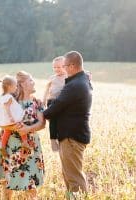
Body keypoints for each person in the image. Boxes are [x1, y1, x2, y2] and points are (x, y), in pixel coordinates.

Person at [42, 51, 93, 198]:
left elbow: (55, 108)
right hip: (72, 135)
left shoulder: (74, 85)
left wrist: (40, 115)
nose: (62, 69)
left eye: (64, 66)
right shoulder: (81, 80)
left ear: (71, 66)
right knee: (70, 176)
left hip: (72, 137)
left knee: (74, 178)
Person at [0, 71, 46, 200]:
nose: (34, 82)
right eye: (31, 80)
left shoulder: (37, 102)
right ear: (22, 84)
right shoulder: (10, 101)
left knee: (30, 183)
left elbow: (42, 124)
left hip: (30, 145)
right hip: (10, 144)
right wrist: (16, 128)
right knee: (8, 183)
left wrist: (27, 129)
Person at [0, 75, 26, 158]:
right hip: (8, 118)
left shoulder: (1, 97)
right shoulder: (9, 97)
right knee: (20, 125)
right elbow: (7, 107)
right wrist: (10, 117)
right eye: (15, 86)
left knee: (7, 130)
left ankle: (2, 146)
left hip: (3, 120)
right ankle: (25, 142)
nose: (16, 87)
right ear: (9, 87)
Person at [43, 56, 67, 152]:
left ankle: (62, 137)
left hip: (62, 102)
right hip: (52, 101)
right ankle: (53, 139)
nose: (56, 69)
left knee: (60, 120)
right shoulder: (52, 78)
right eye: (54, 67)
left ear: (65, 66)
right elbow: (47, 89)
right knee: (52, 120)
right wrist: (44, 99)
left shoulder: (68, 77)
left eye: (59, 67)